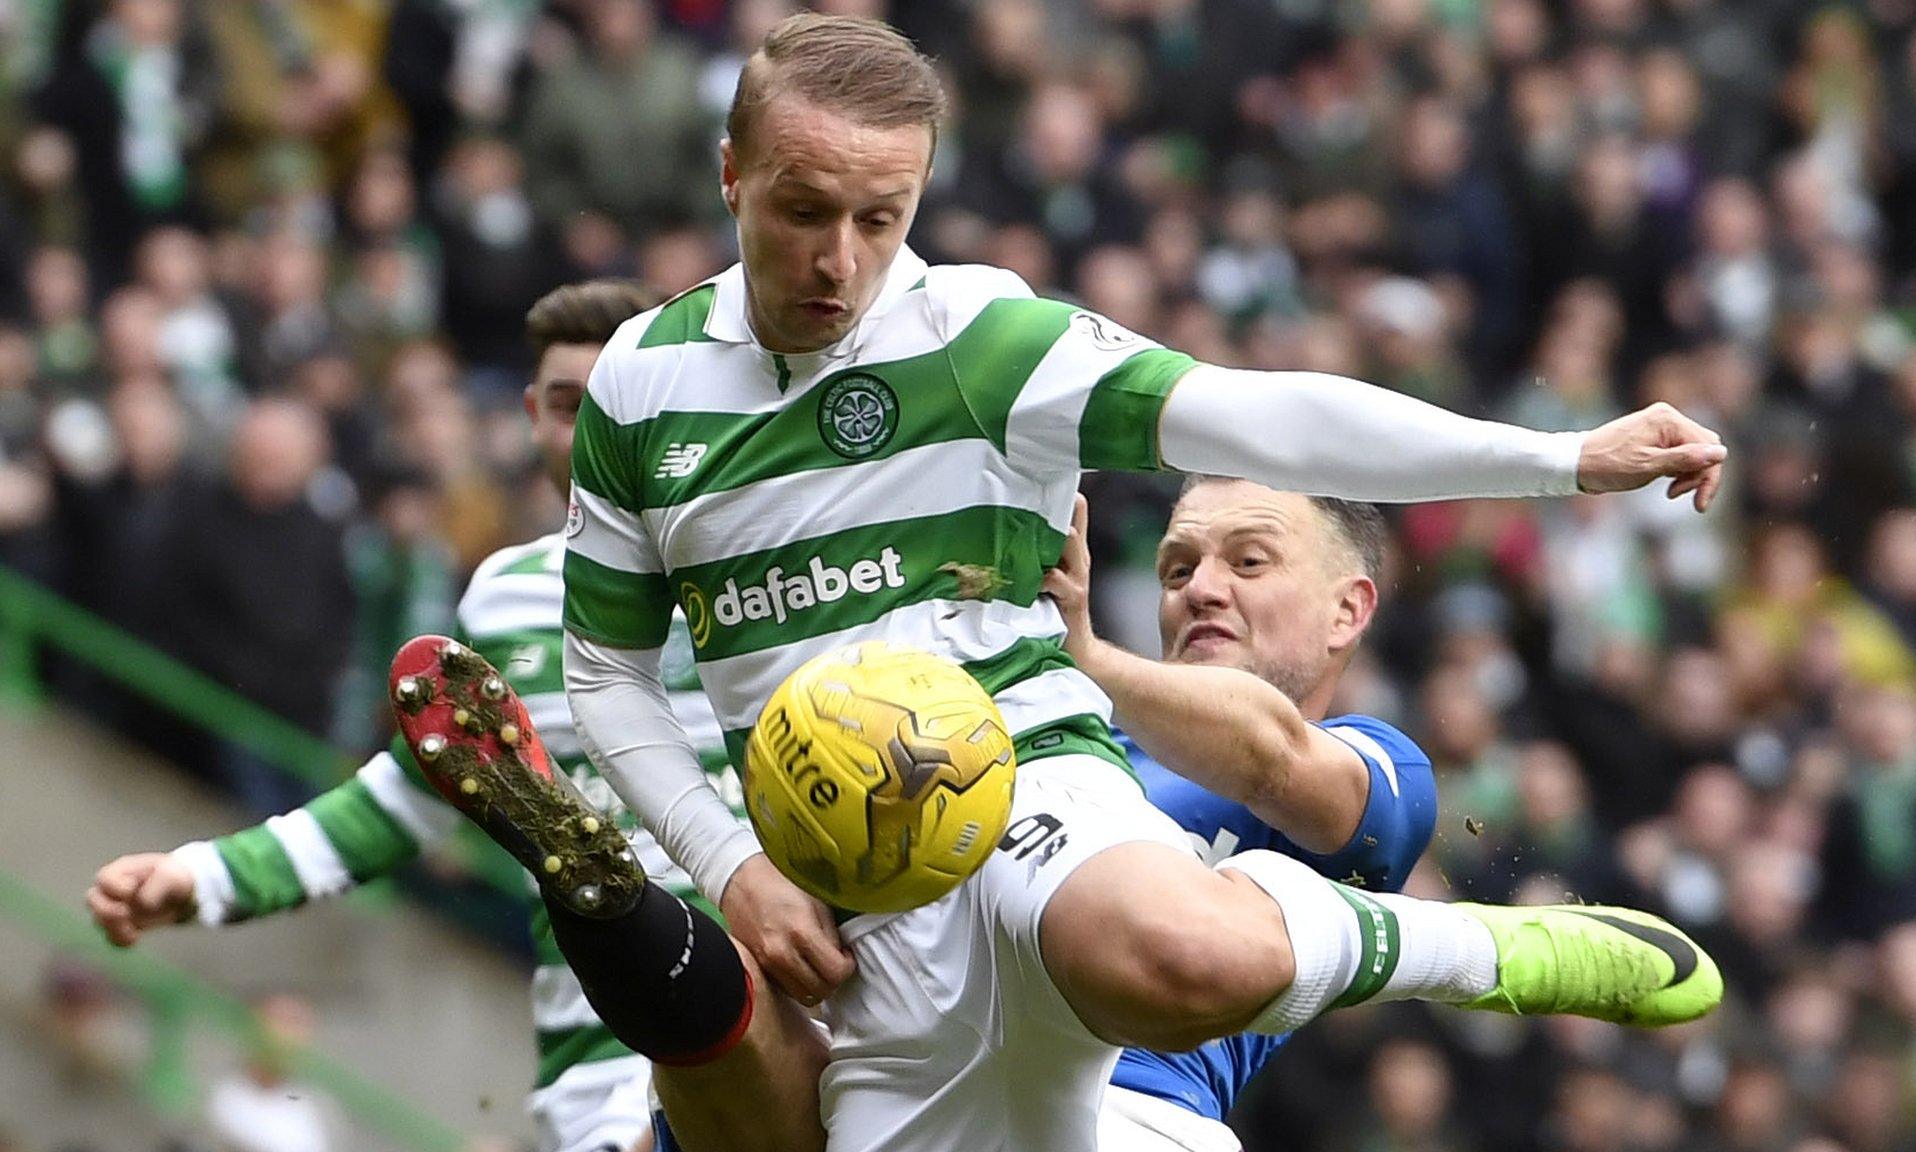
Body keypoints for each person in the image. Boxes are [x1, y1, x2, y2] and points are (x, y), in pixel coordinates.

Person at [427, 14, 1726, 1152]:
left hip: (1015, 765)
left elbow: (1264, 418)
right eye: (804, 211)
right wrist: (727, 863)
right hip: (845, 883)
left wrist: (1561, 459)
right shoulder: (644, 389)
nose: (842, 261)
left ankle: (1492, 950)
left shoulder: (986, 339)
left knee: (1180, 952)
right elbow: (601, 669)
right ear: (730, 175)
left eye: (883, 219)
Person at [83, 280, 829, 1152]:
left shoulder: (784, 572)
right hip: (593, 1062)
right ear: (529, 417)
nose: (590, 430)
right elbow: (407, 796)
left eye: (618, 403)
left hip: (805, 1021)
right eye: (565, 405)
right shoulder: (507, 598)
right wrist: (204, 877)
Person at [1041, 483, 1437, 1152]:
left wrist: (1083, 659)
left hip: (1134, 1112)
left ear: (1347, 611)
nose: (1201, 588)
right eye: (1178, 568)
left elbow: (1268, 755)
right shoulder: (1058, 736)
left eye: (1249, 562)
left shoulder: (1385, 767)